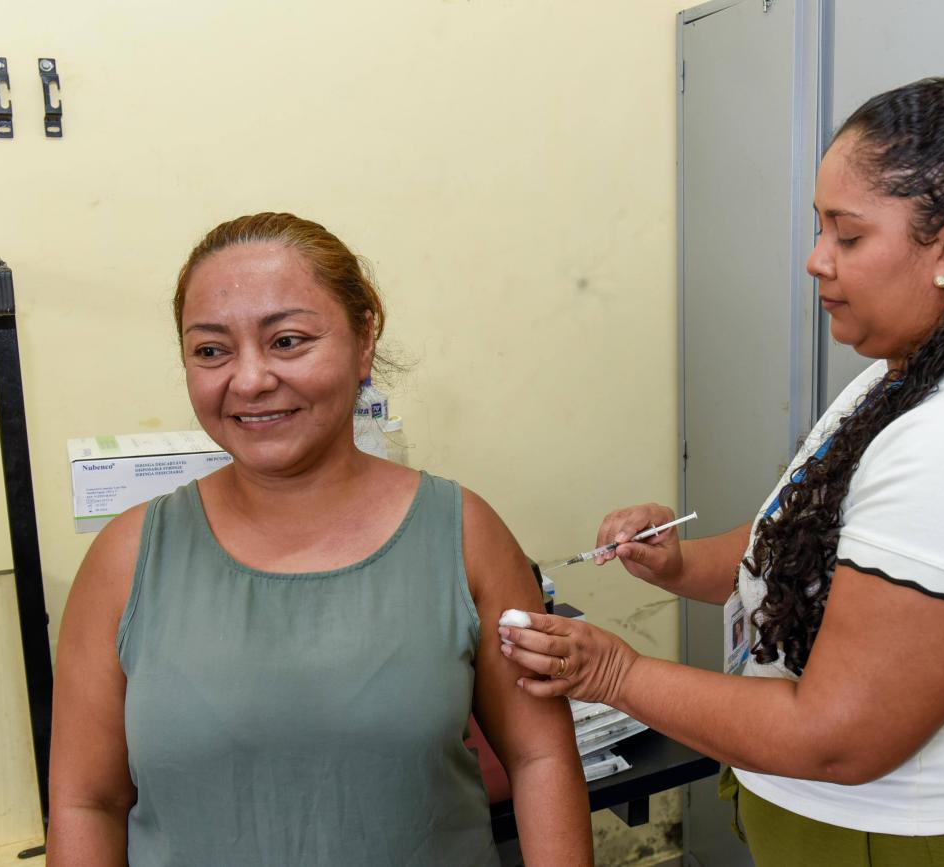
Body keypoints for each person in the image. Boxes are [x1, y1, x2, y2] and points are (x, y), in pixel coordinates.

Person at [499, 78, 944, 866]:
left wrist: (614, 671)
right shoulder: (904, 375)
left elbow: (838, 735)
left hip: (924, 845)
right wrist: (678, 562)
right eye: (820, 228)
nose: (816, 260)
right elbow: (808, 552)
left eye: (848, 236)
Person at [48, 213, 592, 866]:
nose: (249, 379)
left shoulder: (466, 535)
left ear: (364, 340)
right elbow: (86, 803)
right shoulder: (126, 560)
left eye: (287, 341)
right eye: (212, 351)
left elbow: (540, 758)